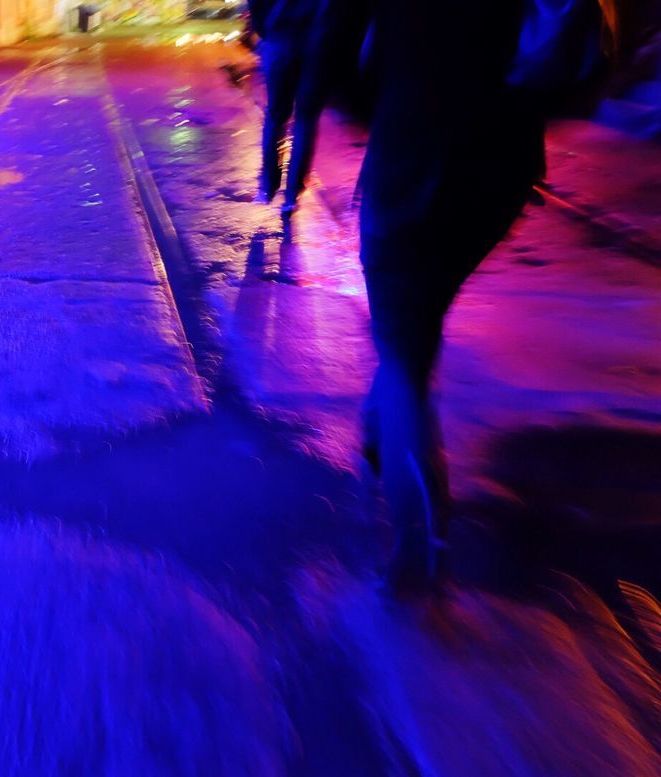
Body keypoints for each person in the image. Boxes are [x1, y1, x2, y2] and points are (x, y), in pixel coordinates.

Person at [357, 0, 611, 593]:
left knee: (403, 358)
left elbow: (354, 61)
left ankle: (417, 562)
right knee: (418, 319)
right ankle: (380, 425)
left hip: (414, 164)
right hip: (504, 167)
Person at [248, 0, 353, 220]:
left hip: (280, 37)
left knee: (276, 116)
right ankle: (291, 196)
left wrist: (266, 29)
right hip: (318, 43)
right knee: (306, 119)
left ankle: (268, 186)